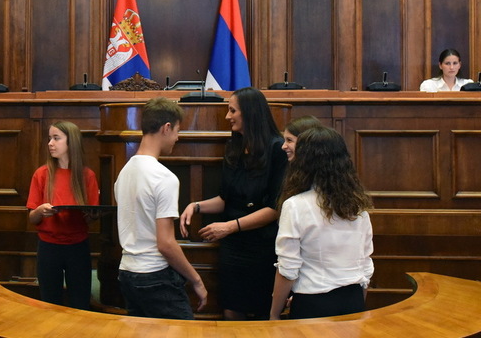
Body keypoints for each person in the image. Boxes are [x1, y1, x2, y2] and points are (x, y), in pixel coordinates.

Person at [179, 88, 287, 319]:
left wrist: (229, 227)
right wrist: (195, 206)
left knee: (260, 313)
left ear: (250, 112)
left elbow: (275, 208)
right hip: (232, 247)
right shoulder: (234, 147)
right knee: (230, 309)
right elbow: (225, 199)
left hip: (262, 245)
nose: (228, 116)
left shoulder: (277, 149)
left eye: (232, 111)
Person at [115, 97, 207, 319]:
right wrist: (196, 280)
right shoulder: (164, 177)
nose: (177, 137)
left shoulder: (123, 173)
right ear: (166, 128)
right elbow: (165, 244)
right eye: (177, 131)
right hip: (154, 275)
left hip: (127, 272)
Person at [270, 126, 374, 321]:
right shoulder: (358, 207)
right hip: (353, 300)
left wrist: (274, 314)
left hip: (313, 303)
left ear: (304, 161)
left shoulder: (295, 206)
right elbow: (365, 267)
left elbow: (288, 270)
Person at [27, 121, 100, 310]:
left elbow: (92, 218)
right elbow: (32, 218)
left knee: (80, 302)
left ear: (71, 142)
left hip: (78, 247)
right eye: (49, 138)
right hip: (49, 247)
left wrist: (91, 214)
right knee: (50, 302)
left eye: (56, 138)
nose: (50, 143)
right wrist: (40, 211)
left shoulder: (87, 176)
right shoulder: (42, 174)